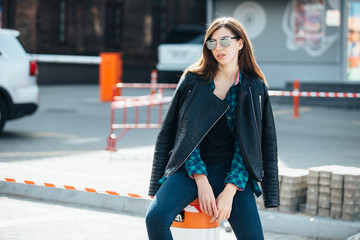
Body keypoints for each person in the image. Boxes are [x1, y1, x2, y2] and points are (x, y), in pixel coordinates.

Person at [145, 17, 279, 240]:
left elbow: (258, 143)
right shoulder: (193, 81)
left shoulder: (254, 86)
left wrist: (231, 188)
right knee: (155, 218)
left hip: (234, 171)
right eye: (212, 43)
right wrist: (201, 179)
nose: (218, 48)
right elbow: (180, 134)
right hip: (191, 167)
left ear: (240, 43)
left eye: (225, 41)